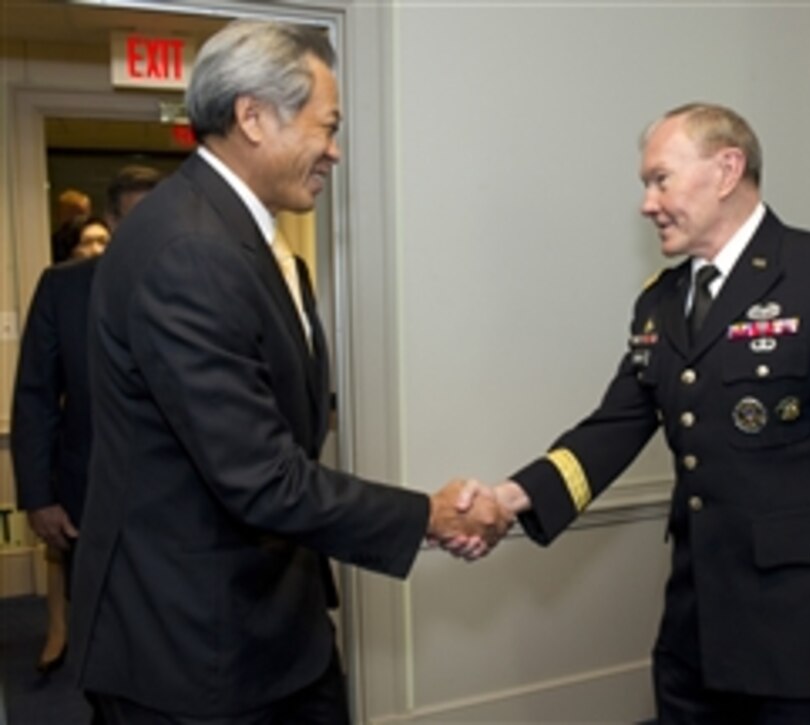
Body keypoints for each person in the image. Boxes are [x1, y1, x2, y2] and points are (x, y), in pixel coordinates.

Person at [69, 20, 509, 724]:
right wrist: (428, 513)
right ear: (252, 116)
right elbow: (262, 476)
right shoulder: (190, 250)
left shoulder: (244, 239)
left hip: (263, 625)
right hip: (193, 649)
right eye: (326, 126)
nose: (335, 151)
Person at [464, 103, 810, 724]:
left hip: (800, 641)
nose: (647, 203)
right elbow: (615, 426)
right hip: (693, 630)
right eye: (646, 185)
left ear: (727, 169)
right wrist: (508, 497)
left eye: (660, 179)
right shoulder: (662, 302)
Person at [10, 167, 162, 676]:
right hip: (90, 498)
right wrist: (39, 495)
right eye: (136, 219)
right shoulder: (63, 289)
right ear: (113, 222)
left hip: (181, 503)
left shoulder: (200, 282)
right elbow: (34, 395)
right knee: (105, 642)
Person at [50, 188, 92, 263]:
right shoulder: (54, 243)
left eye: (86, 213)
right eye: (78, 213)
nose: (83, 219)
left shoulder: (92, 236)